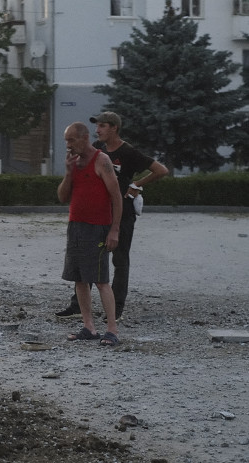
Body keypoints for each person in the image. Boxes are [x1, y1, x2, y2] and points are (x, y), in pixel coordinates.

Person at [55, 112, 169, 321]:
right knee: (87, 259)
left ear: (114, 128)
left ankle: (116, 309)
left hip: (122, 212)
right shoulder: (97, 150)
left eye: (103, 126)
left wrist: (136, 185)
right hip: (98, 214)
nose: (98, 130)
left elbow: (161, 170)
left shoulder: (128, 152)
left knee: (119, 259)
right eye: (97, 126)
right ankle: (77, 306)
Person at [58, 122, 122, 346]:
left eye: (71, 140)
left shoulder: (101, 160)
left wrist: (114, 230)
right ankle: (89, 327)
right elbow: (62, 197)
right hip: (76, 226)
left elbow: (117, 197)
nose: (67, 144)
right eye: (66, 140)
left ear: (84, 138)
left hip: (97, 228)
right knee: (79, 279)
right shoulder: (73, 163)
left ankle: (112, 329)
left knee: (100, 279)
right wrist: (68, 172)